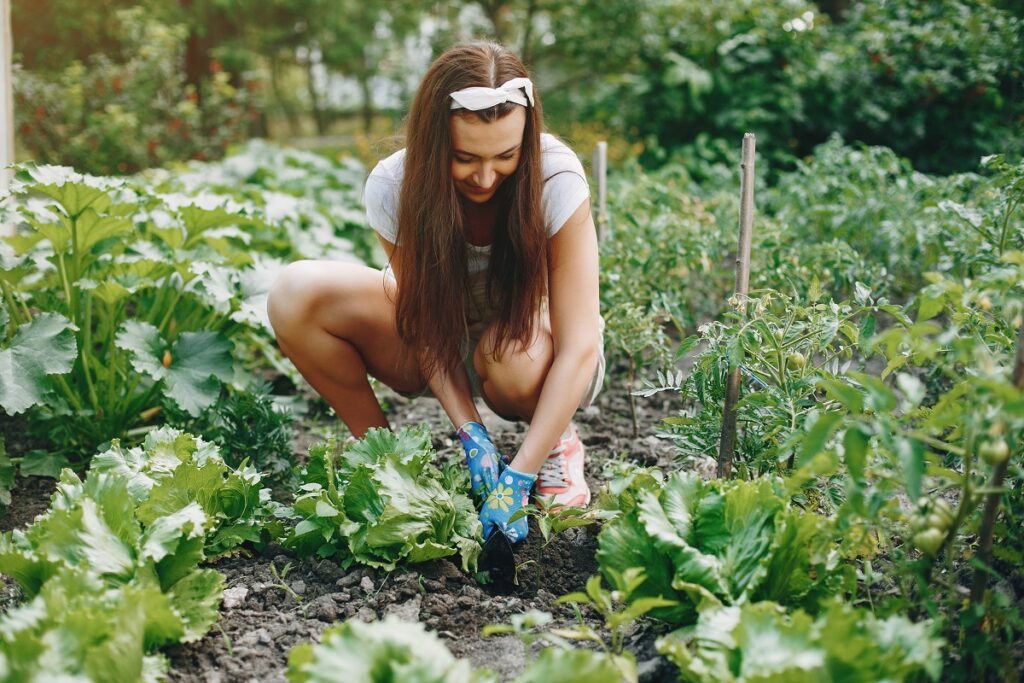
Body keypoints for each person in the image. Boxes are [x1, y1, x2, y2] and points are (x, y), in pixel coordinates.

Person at [266, 41, 604, 543]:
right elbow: (425, 321)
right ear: (432, 141)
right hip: (443, 342)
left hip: (534, 353)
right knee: (294, 293)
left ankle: (554, 444)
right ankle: (388, 459)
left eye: (506, 155)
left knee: (511, 357)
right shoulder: (395, 186)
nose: (486, 177)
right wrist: (471, 435)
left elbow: (581, 345)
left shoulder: (555, 176)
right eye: (465, 158)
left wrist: (519, 475)